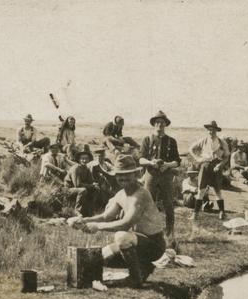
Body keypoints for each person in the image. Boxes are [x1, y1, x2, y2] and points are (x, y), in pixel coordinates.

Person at [72, 155, 167, 288]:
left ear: (136, 174)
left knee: (121, 236)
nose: (123, 178)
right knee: (99, 258)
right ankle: (143, 267)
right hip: (137, 242)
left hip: (154, 245)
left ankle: (135, 279)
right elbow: (106, 216)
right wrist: (84, 220)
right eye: (119, 175)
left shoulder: (141, 194)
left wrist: (97, 227)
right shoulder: (121, 194)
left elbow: (126, 223)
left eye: (127, 175)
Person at [138, 110, 181, 239]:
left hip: (166, 175)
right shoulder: (147, 139)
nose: (159, 125)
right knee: (146, 202)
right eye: (157, 122)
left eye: (162, 123)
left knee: (168, 204)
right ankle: (145, 232)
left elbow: (177, 161)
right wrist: (151, 163)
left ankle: (169, 233)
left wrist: (167, 165)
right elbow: (140, 159)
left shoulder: (171, 141)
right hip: (150, 174)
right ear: (154, 124)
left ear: (165, 124)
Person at [189, 120, 229, 220]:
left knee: (217, 191)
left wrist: (220, 165)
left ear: (216, 131)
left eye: (213, 130)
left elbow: (226, 157)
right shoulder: (203, 140)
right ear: (207, 131)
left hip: (216, 168)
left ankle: (222, 212)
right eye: (209, 130)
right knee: (201, 190)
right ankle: (195, 214)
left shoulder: (222, 142)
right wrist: (198, 159)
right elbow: (191, 149)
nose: (211, 132)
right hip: (205, 166)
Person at [64, 145, 100, 215]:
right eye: (82, 159)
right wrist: (91, 185)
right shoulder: (76, 169)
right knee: (83, 190)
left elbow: (91, 180)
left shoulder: (86, 168)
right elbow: (77, 185)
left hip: (78, 187)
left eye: (86, 159)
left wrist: (94, 184)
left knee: (96, 189)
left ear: (89, 160)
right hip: (68, 189)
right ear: (79, 160)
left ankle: (90, 210)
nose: (84, 160)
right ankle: (77, 210)